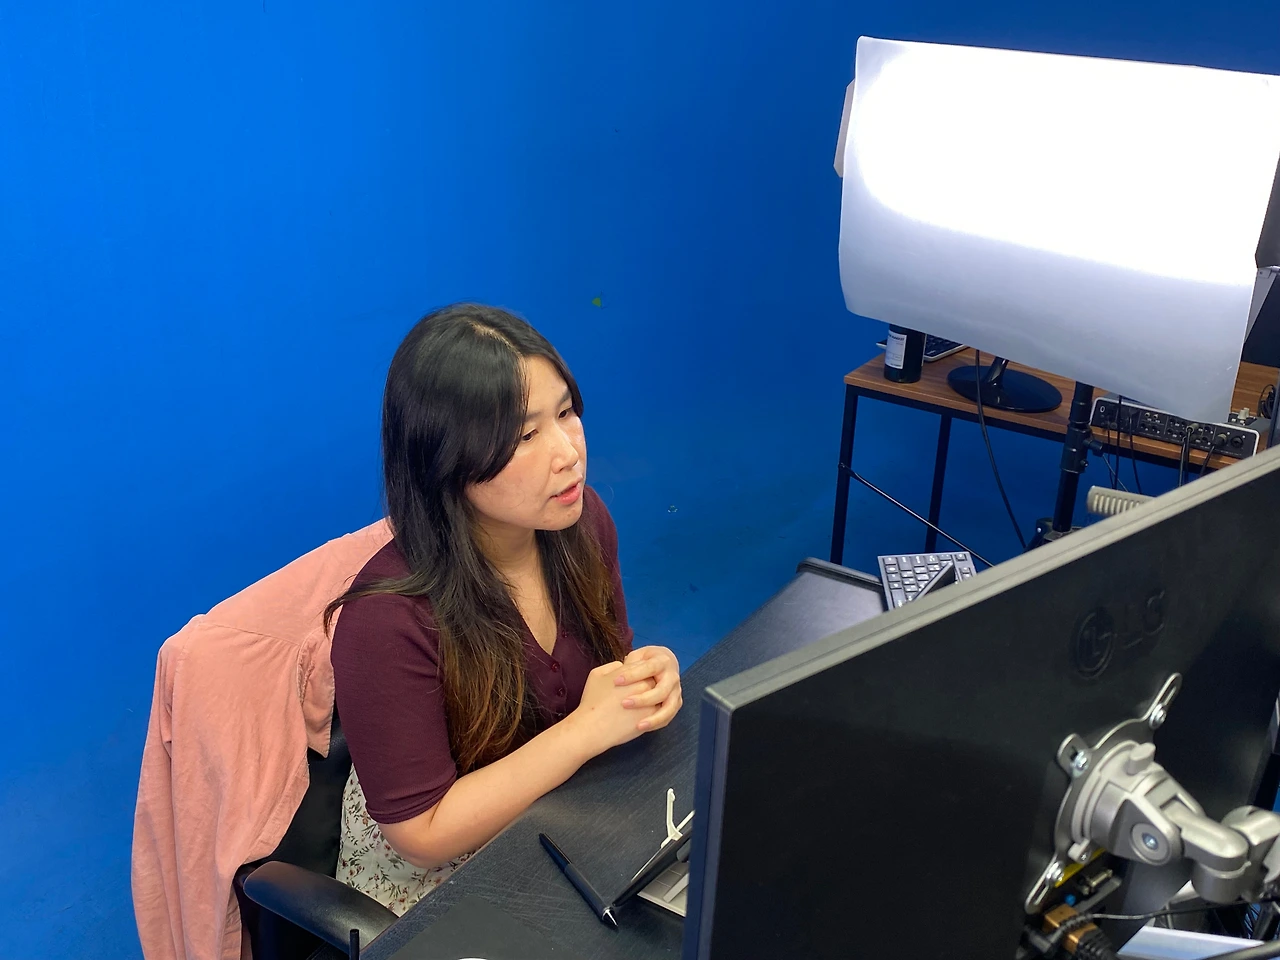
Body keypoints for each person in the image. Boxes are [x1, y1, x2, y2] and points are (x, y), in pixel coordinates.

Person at [328, 303, 683, 914]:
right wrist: (584, 731)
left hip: (561, 818)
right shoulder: (386, 620)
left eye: (565, 413)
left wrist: (644, 683)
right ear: (446, 460)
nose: (568, 453)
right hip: (442, 882)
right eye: (524, 436)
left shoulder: (581, 524)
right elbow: (422, 833)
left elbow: (609, 666)